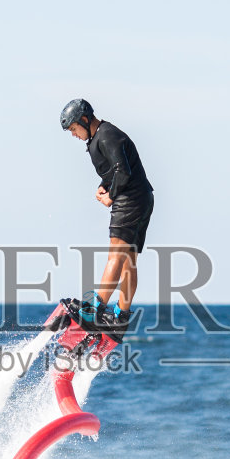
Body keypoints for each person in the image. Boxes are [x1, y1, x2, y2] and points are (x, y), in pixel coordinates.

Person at [59, 98, 154, 331]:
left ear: (84, 119)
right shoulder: (99, 137)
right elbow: (115, 170)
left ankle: (94, 310)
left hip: (130, 201)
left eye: (73, 129)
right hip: (141, 198)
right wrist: (105, 184)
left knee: (116, 256)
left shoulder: (106, 134)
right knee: (129, 262)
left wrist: (110, 196)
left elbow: (123, 171)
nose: (73, 134)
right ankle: (120, 317)